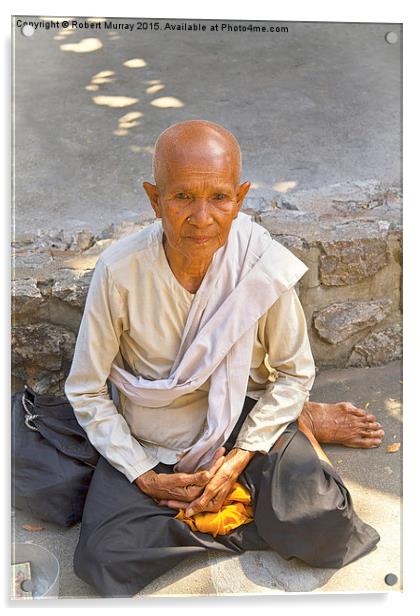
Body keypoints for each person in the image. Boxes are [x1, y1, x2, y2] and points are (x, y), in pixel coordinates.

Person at [64, 119, 382, 598]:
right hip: (154, 430)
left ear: (242, 197)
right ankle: (246, 511)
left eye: (220, 197)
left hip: (241, 416)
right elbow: (86, 388)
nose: (202, 218)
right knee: (103, 559)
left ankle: (260, 471)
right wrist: (144, 476)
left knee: (327, 527)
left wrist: (239, 458)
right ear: (155, 199)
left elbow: (294, 372)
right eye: (182, 198)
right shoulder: (120, 271)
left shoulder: (259, 263)